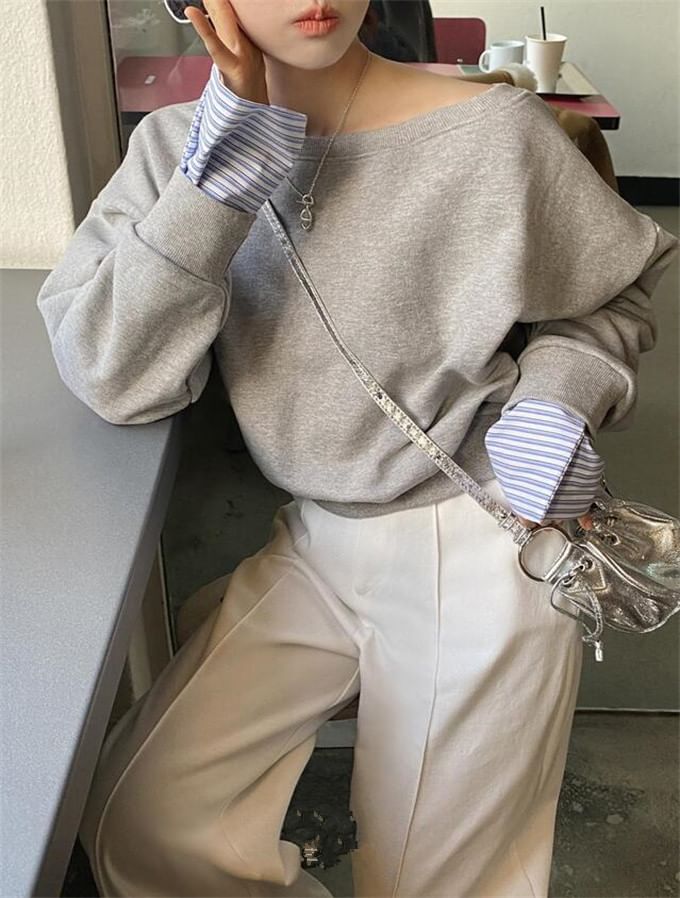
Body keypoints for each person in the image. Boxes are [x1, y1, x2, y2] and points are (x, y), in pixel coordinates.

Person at [36, 1, 678, 895]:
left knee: (441, 881)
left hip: (481, 535)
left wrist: (558, 399)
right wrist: (217, 185)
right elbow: (113, 371)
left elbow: (614, 287)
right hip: (318, 537)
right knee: (144, 818)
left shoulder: (491, 131)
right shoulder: (173, 149)